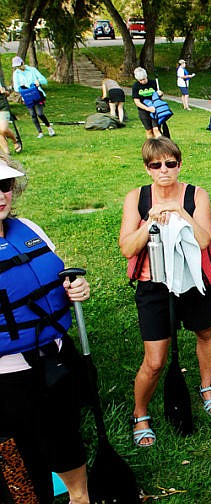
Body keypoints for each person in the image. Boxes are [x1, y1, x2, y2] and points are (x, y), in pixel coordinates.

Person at [119, 137, 211, 447]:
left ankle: (206, 386)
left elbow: (204, 240)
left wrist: (181, 213)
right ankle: (140, 412)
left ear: (179, 165)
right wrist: (149, 220)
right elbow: (127, 248)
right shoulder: (136, 198)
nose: (164, 170)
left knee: (204, 332)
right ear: (148, 169)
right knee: (154, 360)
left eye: (170, 163)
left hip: (193, 280)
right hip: (153, 284)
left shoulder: (196, 195)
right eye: (156, 165)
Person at [0, 154, 90, 503]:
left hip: (55, 354)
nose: (1, 196)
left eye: (5, 186)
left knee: (66, 436)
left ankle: (79, 497)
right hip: (9, 375)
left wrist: (74, 291)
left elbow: (52, 281)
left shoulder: (30, 229)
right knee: (29, 449)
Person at [11, 56, 54, 139]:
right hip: (27, 96)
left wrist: (38, 81)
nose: (19, 68)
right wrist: (22, 87)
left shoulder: (32, 70)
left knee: (40, 113)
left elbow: (44, 80)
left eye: (20, 66)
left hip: (37, 94)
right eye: (17, 67)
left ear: (23, 63)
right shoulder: (16, 74)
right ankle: (40, 132)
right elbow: (16, 87)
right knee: (33, 115)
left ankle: (49, 128)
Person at [132, 67, 161, 139]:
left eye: (144, 79)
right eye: (140, 80)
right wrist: (147, 109)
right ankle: (151, 146)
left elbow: (159, 97)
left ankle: (161, 145)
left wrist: (160, 93)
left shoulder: (153, 83)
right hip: (143, 110)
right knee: (149, 131)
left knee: (156, 129)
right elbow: (137, 102)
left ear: (146, 76)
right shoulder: (136, 86)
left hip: (154, 109)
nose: (142, 81)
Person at [0, 81, 21, 154]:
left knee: (3, 129)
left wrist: (4, 92)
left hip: (2, 106)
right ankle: (7, 153)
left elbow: (7, 93)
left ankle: (15, 140)